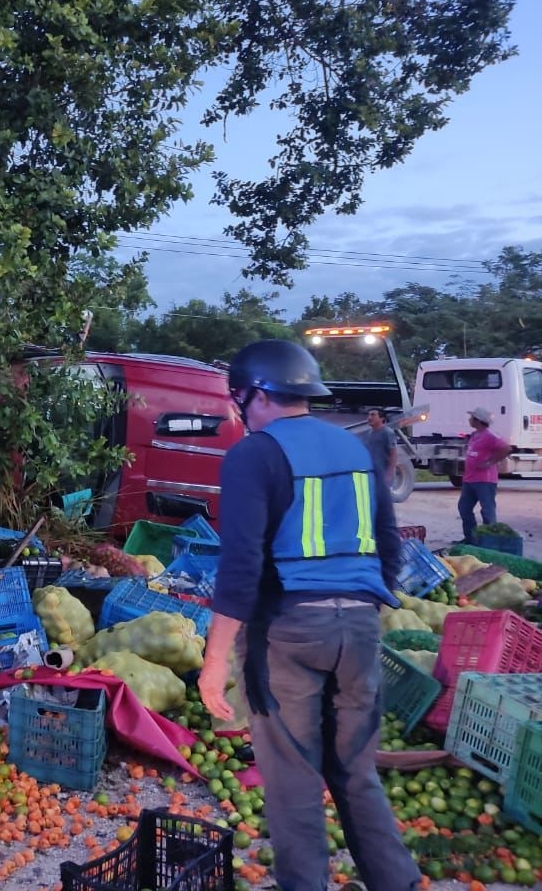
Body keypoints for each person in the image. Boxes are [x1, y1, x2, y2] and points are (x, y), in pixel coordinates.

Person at [198, 339, 421, 891]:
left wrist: (215, 659)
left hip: (289, 633)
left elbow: (241, 567)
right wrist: (362, 601)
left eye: (239, 398)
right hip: (361, 628)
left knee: (294, 780)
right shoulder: (355, 450)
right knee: (356, 773)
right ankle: (399, 882)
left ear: (254, 395)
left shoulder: (254, 453)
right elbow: (390, 547)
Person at [458, 406, 512, 543]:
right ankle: (471, 538)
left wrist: (491, 462)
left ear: (478, 420)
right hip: (470, 479)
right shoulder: (475, 435)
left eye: (472, 418)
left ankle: (491, 541)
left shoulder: (490, 435)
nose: (469, 420)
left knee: (487, 511)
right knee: (464, 508)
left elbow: (506, 448)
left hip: (485, 480)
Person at [362, 408, 397, 484]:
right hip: (372, 473)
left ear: (382, 418)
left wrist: (389, 474)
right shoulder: (368, 434)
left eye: (373, 415)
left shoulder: (387, 433)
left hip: (383, 474)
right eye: (369, 415)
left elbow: (393, 454)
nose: (369, 418)